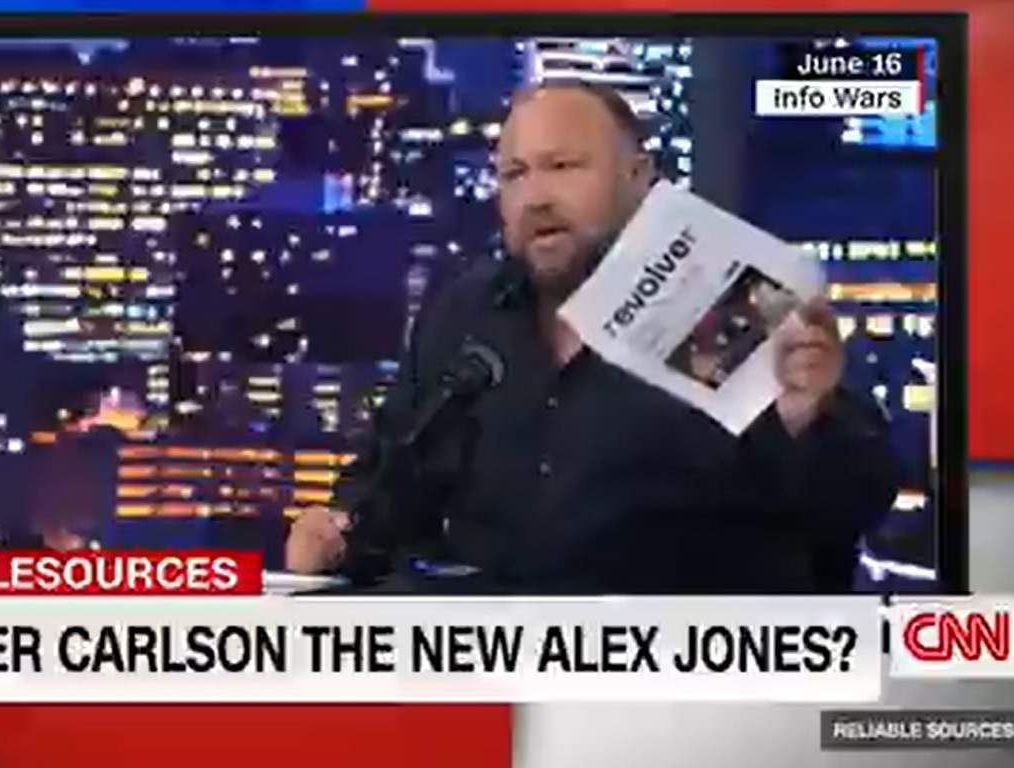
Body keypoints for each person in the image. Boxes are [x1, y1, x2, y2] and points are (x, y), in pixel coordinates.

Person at [286, 80, 900, 594]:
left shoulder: (732, 302)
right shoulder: (466, 313)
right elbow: (391, 480)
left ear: (639, 177)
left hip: (681, 674)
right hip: (489, 668)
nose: (536, 197)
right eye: (515, 175)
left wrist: (803, 420)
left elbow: (858, 502)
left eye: (563, 167)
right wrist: (340, 533)